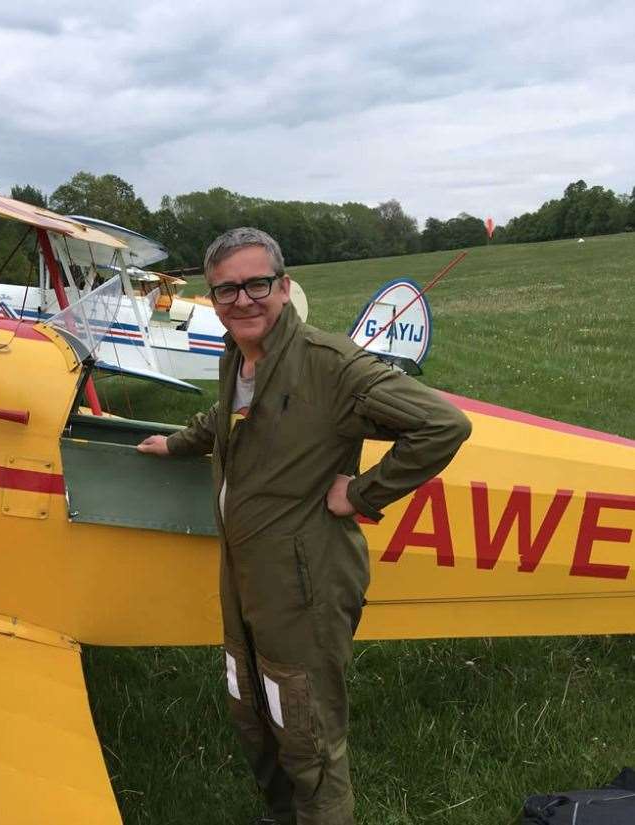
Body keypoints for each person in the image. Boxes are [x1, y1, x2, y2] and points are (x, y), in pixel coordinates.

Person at [137, 228, 471, 825]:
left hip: (305, 581)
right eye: (226, 290)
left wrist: (362, 493)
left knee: (308, 733)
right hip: (245, 574)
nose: (243, 300)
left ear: (284, 287)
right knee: (253, 706)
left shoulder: (331, 365)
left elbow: (442, 425)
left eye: (257, 284)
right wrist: (177, 443)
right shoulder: (238, 356)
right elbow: (229, 417)